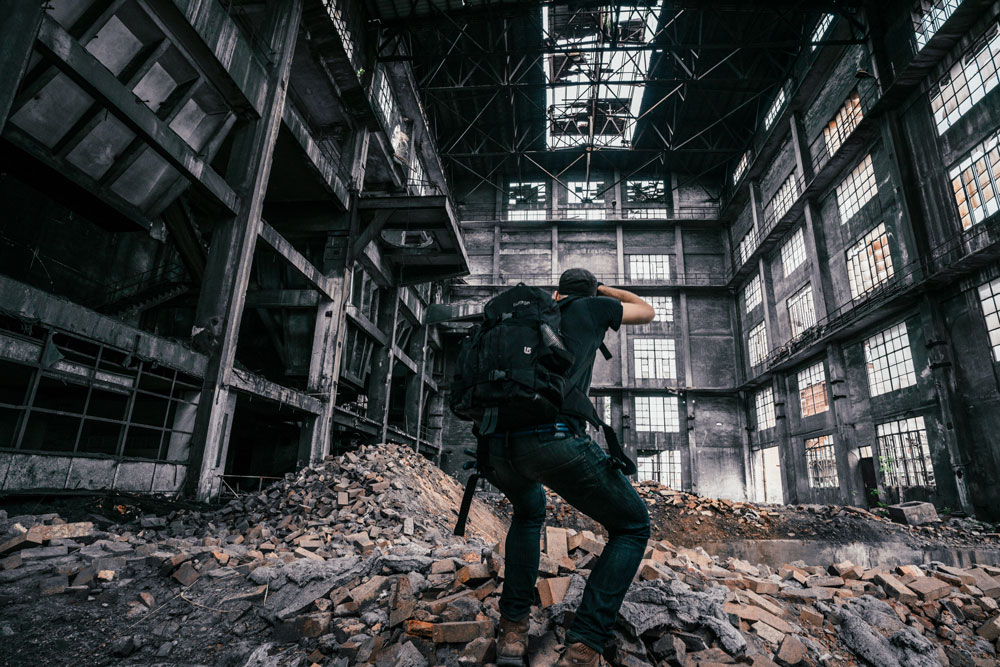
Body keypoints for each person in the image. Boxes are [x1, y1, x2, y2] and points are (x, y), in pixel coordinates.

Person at [492, 268, 655, 667]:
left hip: (498, 445)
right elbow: (646, 310)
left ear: (557, 292)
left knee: (529, 513)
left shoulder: (529, 315)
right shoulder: (593, 307)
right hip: (553, 439)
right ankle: (583, 647)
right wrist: (602, 290)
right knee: (632, 526)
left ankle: (513, 632)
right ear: (590, 291)